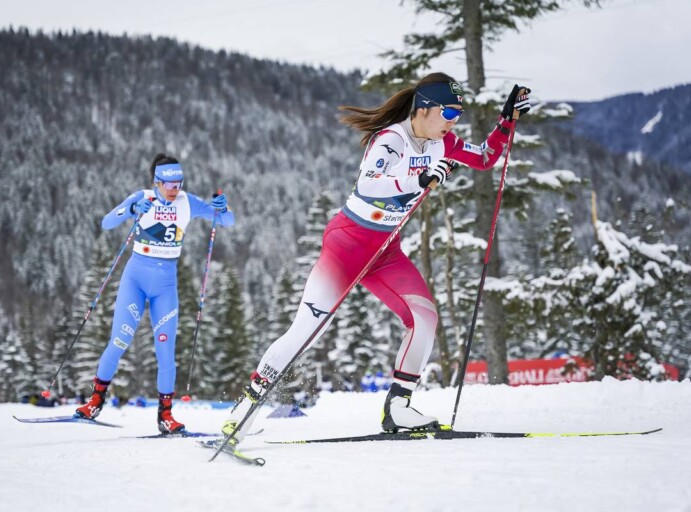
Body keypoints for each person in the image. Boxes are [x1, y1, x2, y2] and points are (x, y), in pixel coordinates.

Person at [220, 73, 530, 445]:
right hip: (348, 245)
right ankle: (245, 408)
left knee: (424, 317)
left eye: (458, 113)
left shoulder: (442, 142)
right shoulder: (391, 140)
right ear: (424, 108)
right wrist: (415, 181)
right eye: (448, 111)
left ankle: (399, 408)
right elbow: (370, 183)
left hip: (386, 250)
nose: (453, 120)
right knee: (306, 330)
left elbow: (484, 159)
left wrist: (506, 121)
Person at [75, 153, 234, 434]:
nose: (174, 189)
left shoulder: (188, 203)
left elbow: (227, 221)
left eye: (178, 183)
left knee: (165, 351)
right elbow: (107, 222)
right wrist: (132, 209)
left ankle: (165, 416)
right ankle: (95, 402)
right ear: (156, 182)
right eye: (168, 184)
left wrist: (222, 208)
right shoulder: (143, 197)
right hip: (135, 279)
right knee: (119, 341)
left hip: (165, 286)